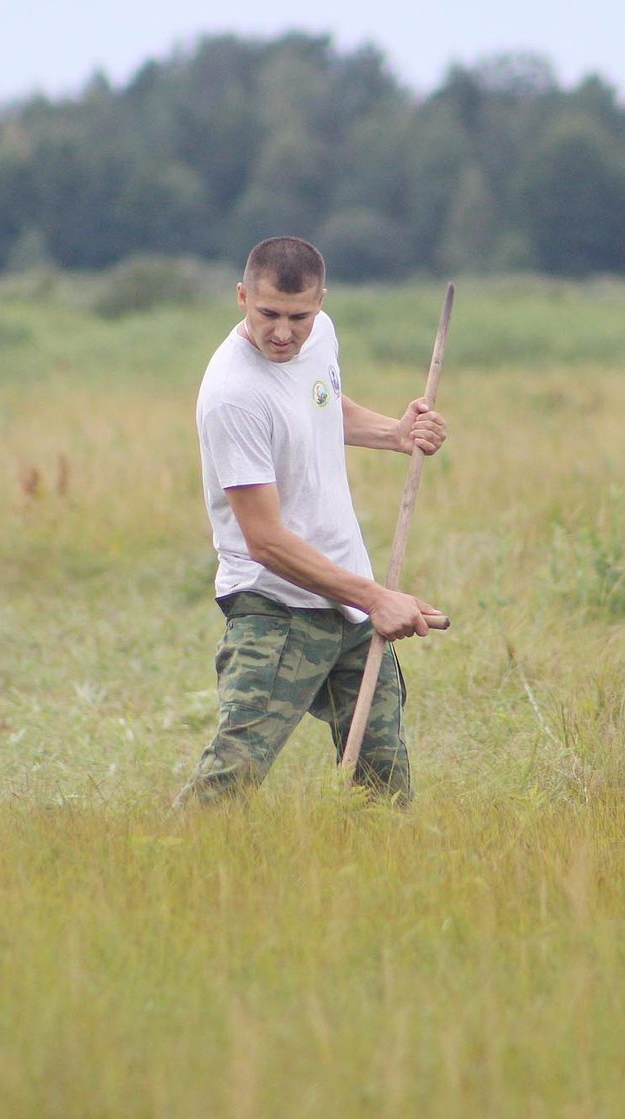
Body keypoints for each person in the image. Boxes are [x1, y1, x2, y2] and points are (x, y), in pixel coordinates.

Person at [173, 236, 448, 808]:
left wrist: (394, 434)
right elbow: (266, 541)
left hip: (350, 603)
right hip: (274, 610)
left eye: (298, 316)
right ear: (242, 295)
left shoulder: (320, 337)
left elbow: (320, 404)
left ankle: (376, 885)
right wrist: (377, 598)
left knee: (384, 786)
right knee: (230, 781)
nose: (282, 332)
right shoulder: (233, 395)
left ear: (321, 302)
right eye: (267, 313)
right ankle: (163, 876)